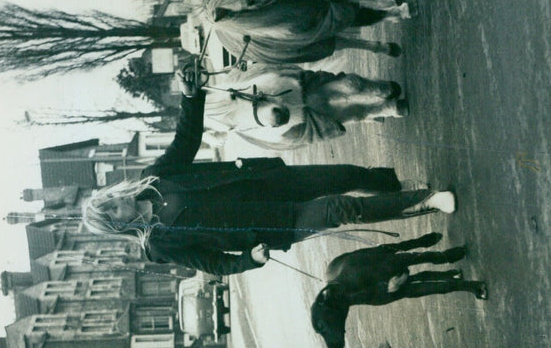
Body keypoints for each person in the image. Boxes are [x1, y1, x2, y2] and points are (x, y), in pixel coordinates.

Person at [81, 62, 456, 277]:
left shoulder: (158, 179)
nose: (119, 203)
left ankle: (397, 187)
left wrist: (192, 96)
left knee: (345, 175)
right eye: (112, 211)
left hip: (268, 182)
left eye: (111, 201)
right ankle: (426, 200)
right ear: (118, 225)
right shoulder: (160, 245)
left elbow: (186, 139)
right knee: (341, 208)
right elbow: (210, 263)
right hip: (274, 224)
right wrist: (250, 260)